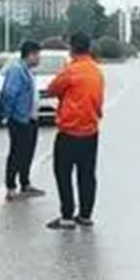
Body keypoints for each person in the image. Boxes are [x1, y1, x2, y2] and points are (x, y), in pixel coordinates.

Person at [44, 32, 105, 230]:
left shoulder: (71, 71)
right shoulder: (97, 71)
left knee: (63, 173)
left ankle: (67, 215)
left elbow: (52, 89)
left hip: (69, 131)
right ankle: (85, 214)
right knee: (87, 174)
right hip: (91, 131)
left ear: (72, 49)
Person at [0, 40, 46, 201]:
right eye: (37, 55)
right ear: (30, 54)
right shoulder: (17, 71)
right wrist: (7, 115)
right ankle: (11, 187)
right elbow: (10, 94)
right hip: (19, 120)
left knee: (27, 153)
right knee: (17, 153)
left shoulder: (28, 71)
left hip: (30, 119)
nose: (39, 59)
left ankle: (25, 183)